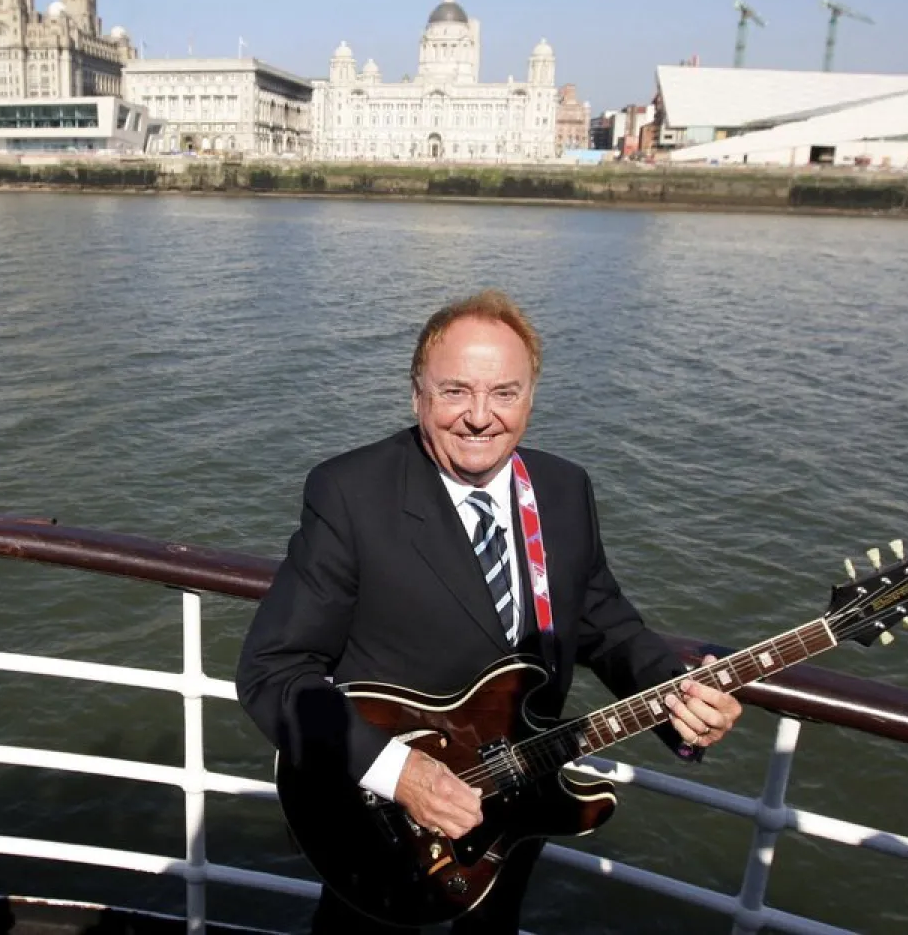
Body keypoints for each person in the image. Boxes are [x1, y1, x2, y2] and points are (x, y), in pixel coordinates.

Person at [236, 290, 742, 934]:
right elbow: (273, 671)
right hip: (379, 821)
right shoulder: (351, 493)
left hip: (517, 803)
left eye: (504, 393)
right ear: (417, 395)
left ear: (531, 398)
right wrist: (400, 773)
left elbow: (604, 622)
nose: (480, 417)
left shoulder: (563, 489)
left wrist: (680, 697)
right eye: (455, 392)